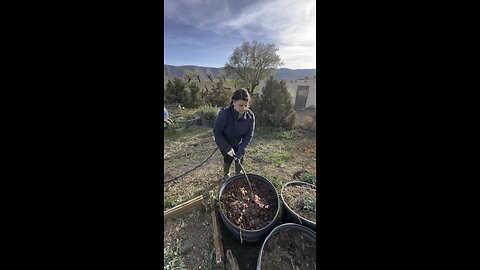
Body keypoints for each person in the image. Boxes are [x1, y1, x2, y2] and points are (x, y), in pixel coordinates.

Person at [213, 89, 255, 181]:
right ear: (234, 102)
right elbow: (217, 133)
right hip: (225, 141)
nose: (243, 108)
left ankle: (238, 173)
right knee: (228, 158)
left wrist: (242, 148)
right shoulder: (224, 114)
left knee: (239, 158)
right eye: (240, 105)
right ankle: (226, 174)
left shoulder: (250, 116)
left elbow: (249, 135)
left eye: (246, 105)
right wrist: (227, 148)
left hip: (239, 143)